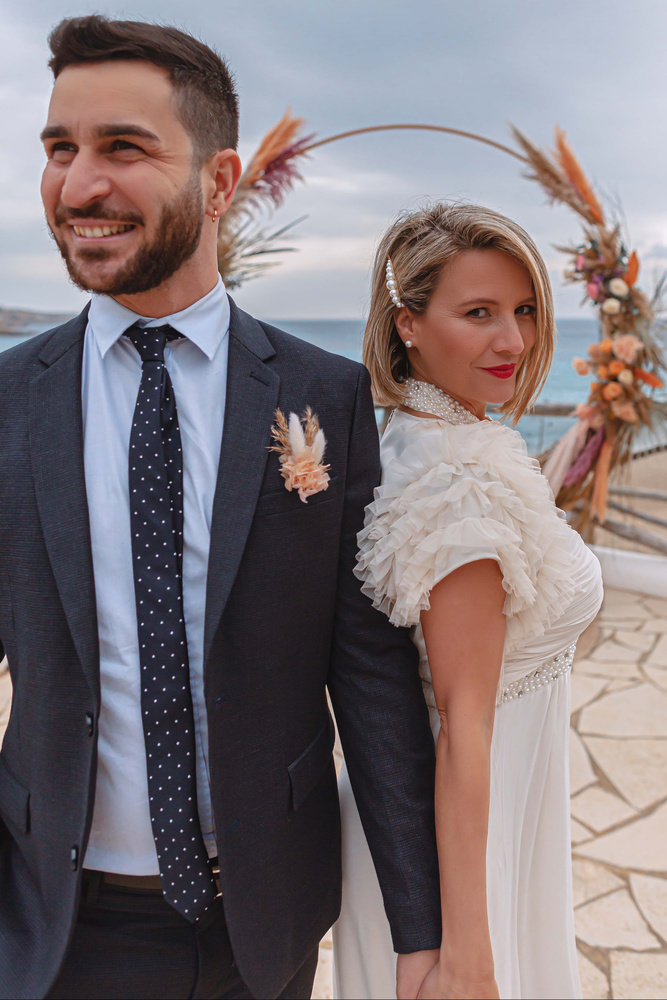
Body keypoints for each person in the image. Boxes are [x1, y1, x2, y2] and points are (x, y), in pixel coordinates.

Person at [0, 16, 443, 1000]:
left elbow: (368, 677)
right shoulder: (10, 402)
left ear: (219, 180)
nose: (77, 187)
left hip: (265, 921)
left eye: (122, 147)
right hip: (50, 929)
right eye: (59, 150)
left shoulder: (321, 395)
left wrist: (424, 930)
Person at [332, 203, 603, 1000]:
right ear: (408, 323)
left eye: (522, 311)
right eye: (478, 313)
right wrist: (466, 951)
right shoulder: (458, 482)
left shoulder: (420, 434)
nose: (513, 342)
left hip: (479, 821)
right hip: (467, 853)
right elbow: (463, 727)